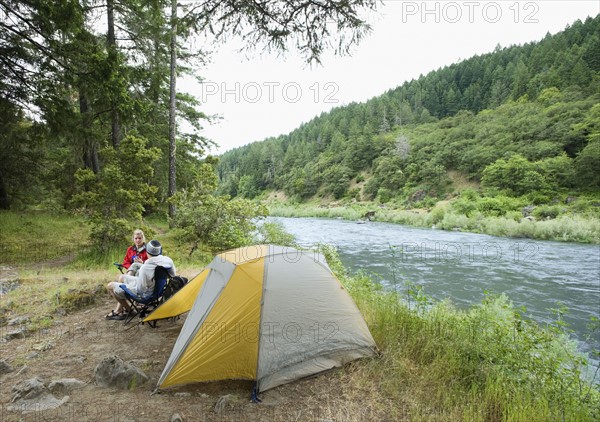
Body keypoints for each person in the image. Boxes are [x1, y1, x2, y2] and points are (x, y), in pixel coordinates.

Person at [105, 239, 176, 320]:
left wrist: (128, 286)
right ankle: (120, 309)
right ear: (159, 251)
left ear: (147, 252)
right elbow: (173, 275)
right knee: (121, 277)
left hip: (146, 295)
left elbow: (140, 290)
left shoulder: (145, 268)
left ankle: (130, 310)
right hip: (157, 291)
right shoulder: (168, 260)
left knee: (110, 286)